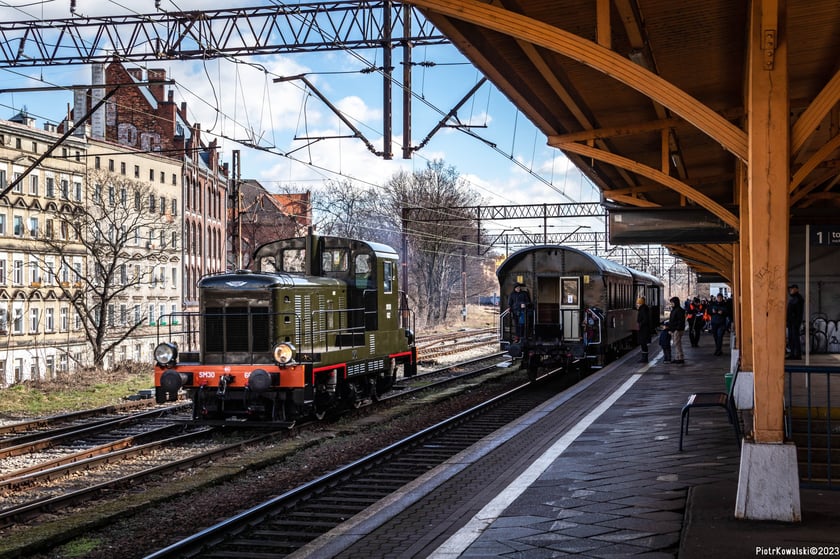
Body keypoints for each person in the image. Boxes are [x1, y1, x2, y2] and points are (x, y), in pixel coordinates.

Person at [787, 284, 805, 359]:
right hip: (792, 321)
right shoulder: (795, 298)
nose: (791, 290)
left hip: (794, 322)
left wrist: (794, 320)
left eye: (792, 289)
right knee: (792, 338)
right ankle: (793, 354)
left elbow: (796, 311)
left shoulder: (798, 298)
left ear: (796, 289)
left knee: (794, 338)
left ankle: (796, 354)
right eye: (790, 289)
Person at [668, 296, 686, 364]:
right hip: (675, 329)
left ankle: (680, 358)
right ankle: (677, 357)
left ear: (676, 302)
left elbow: (680, 321)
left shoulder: (678, 310)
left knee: (677, 344)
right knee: (676, 344)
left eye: (672, 303)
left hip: (677, 330)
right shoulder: (675, 310)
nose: (671, 304)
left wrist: (677, 329)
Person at [636, 296, 651, 363]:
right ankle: (644, 358)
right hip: (643, 328)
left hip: (644, 329)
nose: (637, 304)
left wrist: (640, 324)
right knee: (643, 343)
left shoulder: (643, 309)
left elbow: (645, 319)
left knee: (643, 343)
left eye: (638, 303)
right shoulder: (643, 309)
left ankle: (644, 358)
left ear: (641, 303)